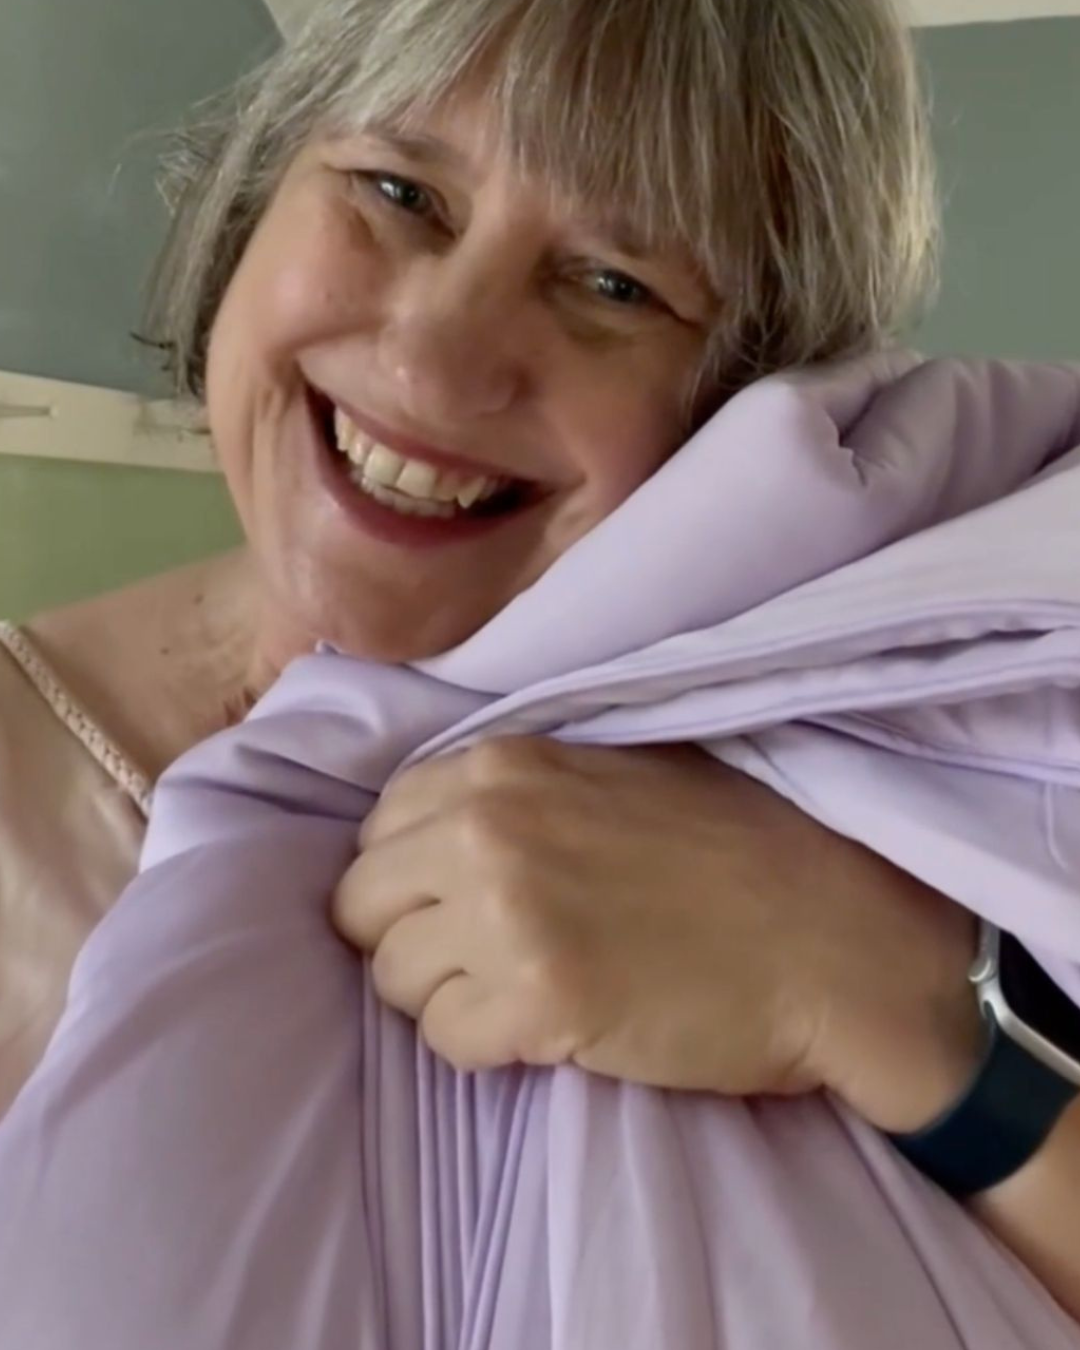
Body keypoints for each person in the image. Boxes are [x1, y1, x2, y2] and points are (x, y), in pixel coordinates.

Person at [0, 0, 1076, 1323]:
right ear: (255, 193)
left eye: (616, 285)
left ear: (762, 408)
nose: (434, 358)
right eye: (399, 190)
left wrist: (881, 997)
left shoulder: (887, 768)